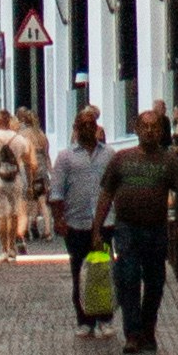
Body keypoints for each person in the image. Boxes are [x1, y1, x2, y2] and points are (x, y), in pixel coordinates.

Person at [98, 102, 178, 353]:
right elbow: (106, 193)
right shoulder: (121, 159)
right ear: (137, 129)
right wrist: (97, 226)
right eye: (146, 127)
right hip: (127, 229)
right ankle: (132, 333)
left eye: (155, 127)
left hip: (156, 229)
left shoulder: (169, 161)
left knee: (155, 281)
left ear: (161, 132)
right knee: (128, 279)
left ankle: (147, 328)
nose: (150, 131)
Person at [50, 103, 114, 330]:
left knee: (104, 271)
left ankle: (105, 316)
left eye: (92, 124)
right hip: (76, 224)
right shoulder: (66, 157)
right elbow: (56, 191)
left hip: (104, 223)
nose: (88, 128)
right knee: (80, 270)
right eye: (83, 125)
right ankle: (85, 319)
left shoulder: (108, 154)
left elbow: (115, 186)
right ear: (76, 128)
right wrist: (59, 220)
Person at [0, 106, 45, 261]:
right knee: (16, 213)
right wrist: (30, 181)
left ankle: (3, 249)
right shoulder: (21, 140)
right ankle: (14, 245)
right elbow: (30, 162)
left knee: (1, 216)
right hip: (17, 177)